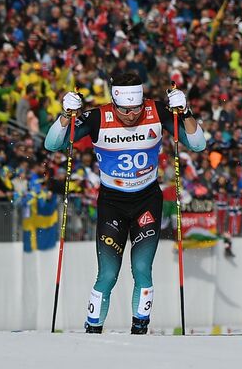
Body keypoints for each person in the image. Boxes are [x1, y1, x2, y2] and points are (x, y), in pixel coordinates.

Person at [44, 69, 207, 334]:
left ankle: (140, 329)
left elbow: (198, 145)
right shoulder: (98, 117)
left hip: (147, 200)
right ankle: (93, 328)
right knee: (107, 274)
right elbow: (52, 145)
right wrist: (65, 116)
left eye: (136, 109)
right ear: (114, 103)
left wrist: (186, 112)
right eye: (124, 110)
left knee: (142, 268)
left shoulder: (155, 111)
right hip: (112, 203)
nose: (131, 116)